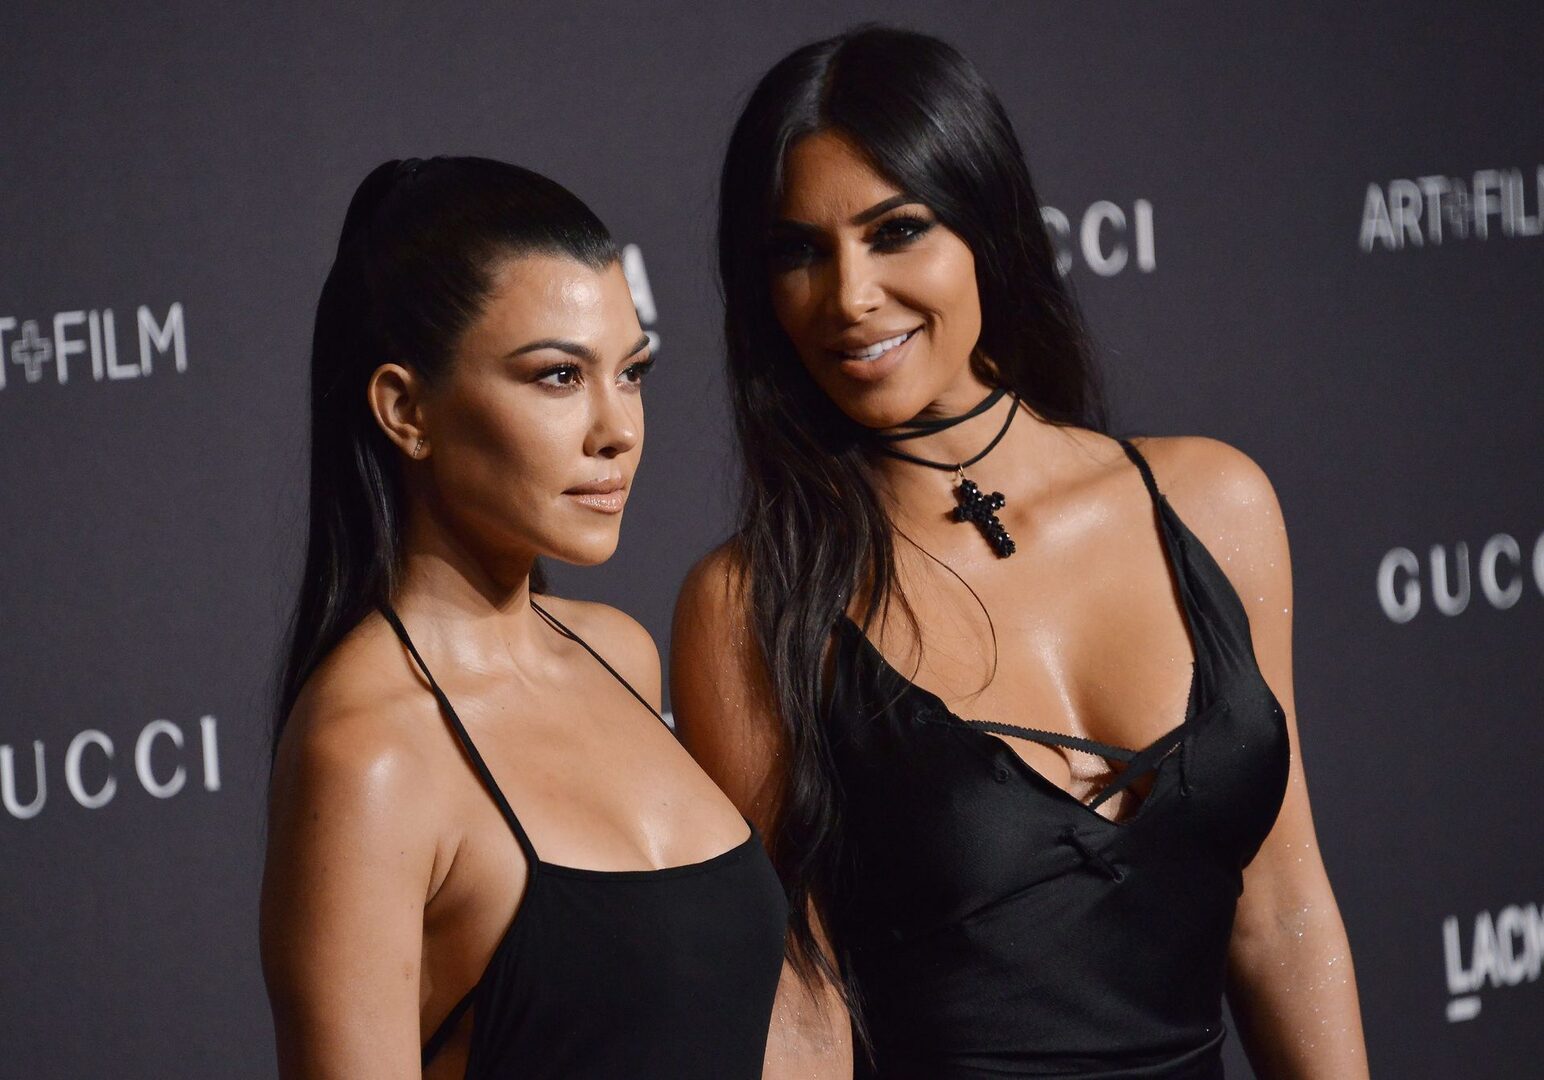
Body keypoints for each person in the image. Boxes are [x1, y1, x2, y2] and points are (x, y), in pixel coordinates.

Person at [673, 27, 1369, 1079]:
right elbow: (795, 1011)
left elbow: (1280, 912)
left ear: (985, 223)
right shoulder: (753, 602)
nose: (849, 295)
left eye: (896, 231)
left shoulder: (1212, 501)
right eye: (798, 251)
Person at [260, 156, 786, 1079]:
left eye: (632, 372)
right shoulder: (369, 755)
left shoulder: (619, 652)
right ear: (406, 410)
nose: (618, 429)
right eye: (557, 377)